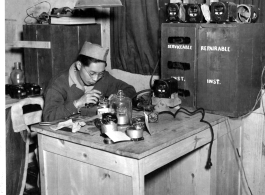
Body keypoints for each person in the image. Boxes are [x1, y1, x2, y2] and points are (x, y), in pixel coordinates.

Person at [43, 42, 136, 121]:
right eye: (92, 73)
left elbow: (130, 90)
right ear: (79, 65)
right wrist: (77, 104)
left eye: (100, 73)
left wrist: (118, 98)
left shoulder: (104, 78)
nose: (96, 79)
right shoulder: (58, 83)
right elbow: (48, 117)